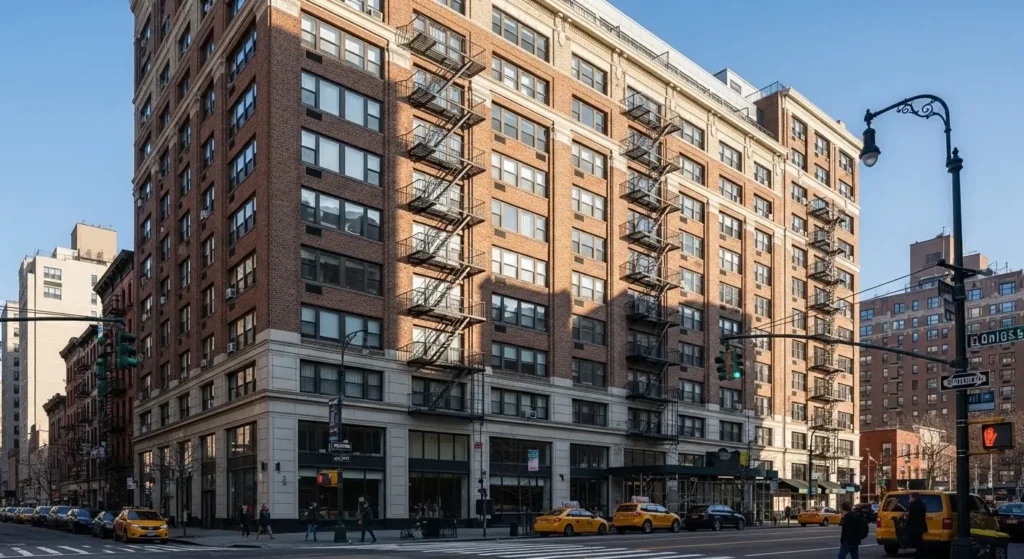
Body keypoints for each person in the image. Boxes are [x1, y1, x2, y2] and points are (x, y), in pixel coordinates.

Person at [905, 493, 928, 558]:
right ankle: (921, 553)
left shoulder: (913, 506)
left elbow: (910, 515)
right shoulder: (922, 504)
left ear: (914, 498)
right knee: (919, 540)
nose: (909, 499)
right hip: (920, 525)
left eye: (910, 498)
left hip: (914, 526)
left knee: (917, 541)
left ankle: (920, 554)